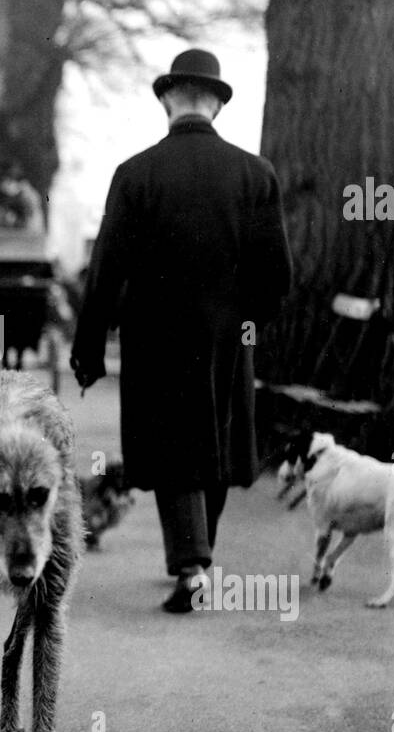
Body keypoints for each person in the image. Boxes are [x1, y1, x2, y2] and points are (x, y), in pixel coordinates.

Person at [70, 48, 292, 613]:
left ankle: (192, 565)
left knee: (175, 449)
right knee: (212, 443)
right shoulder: (255, 174)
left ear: (168, 99)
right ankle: (200, 554)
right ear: (216, 103)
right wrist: (245, 323)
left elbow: (105, 273)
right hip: (225, 337)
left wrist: (88, 349)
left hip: (155, 337)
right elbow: (277, 277)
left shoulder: (134, 174)